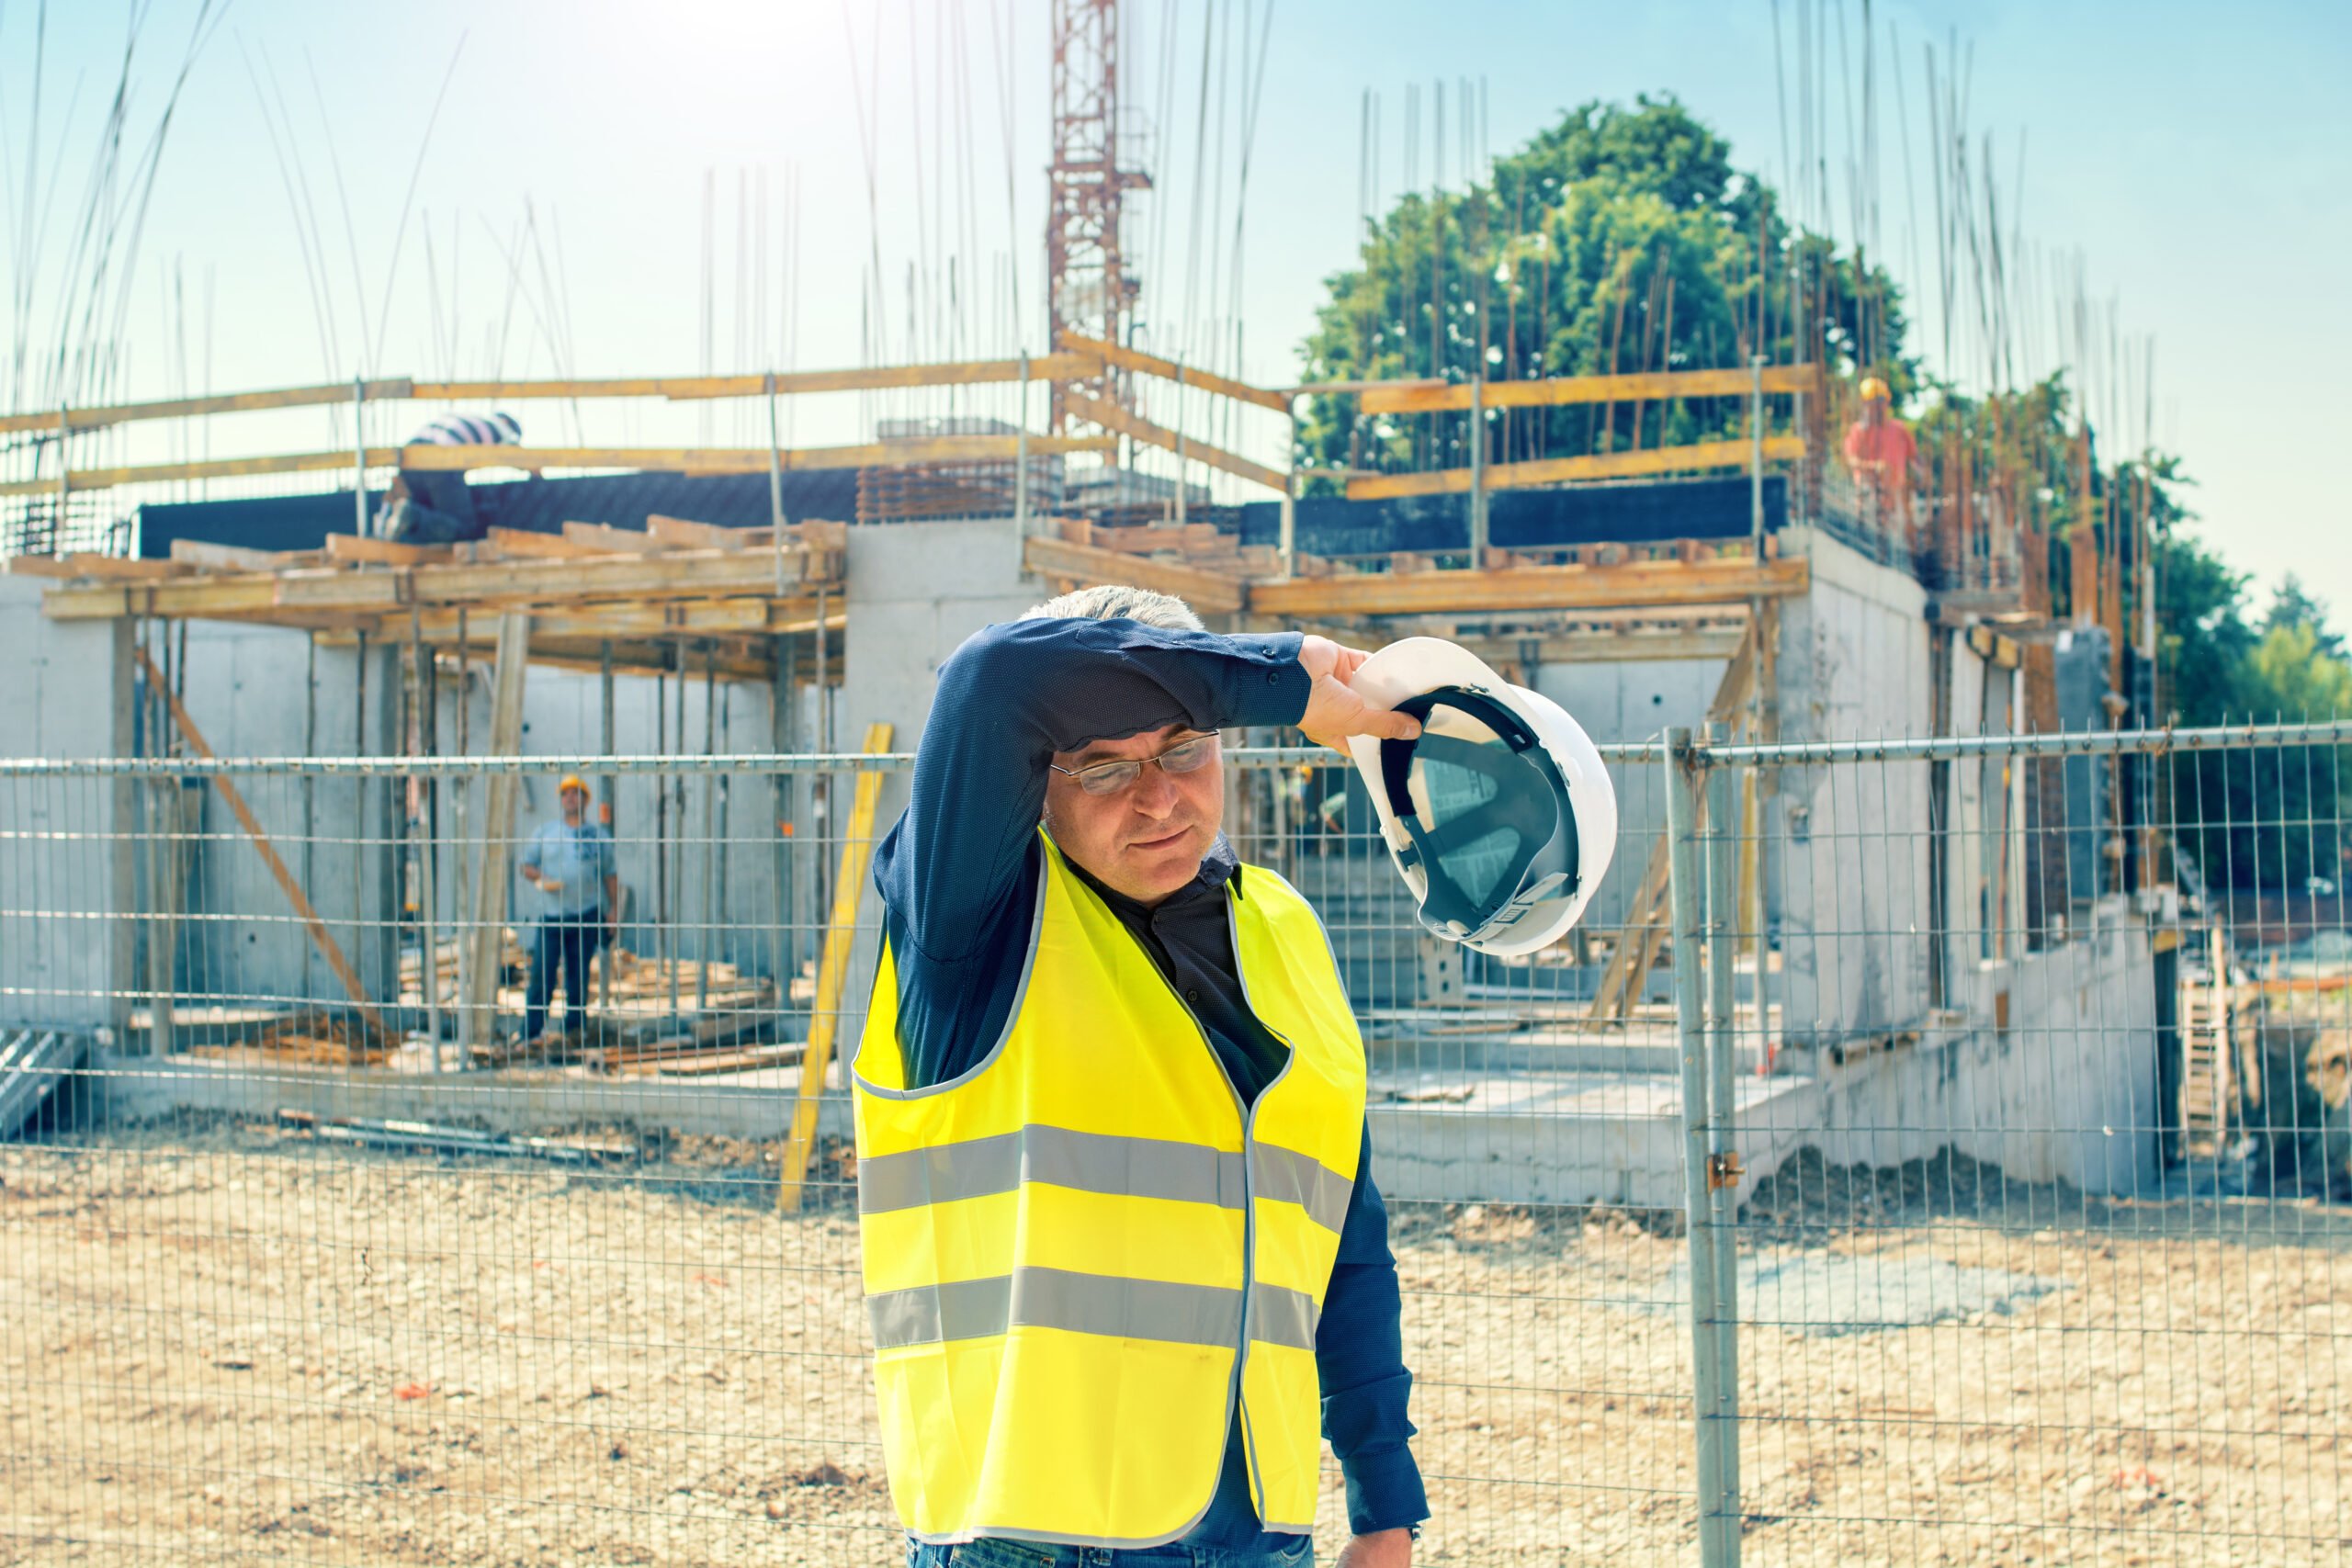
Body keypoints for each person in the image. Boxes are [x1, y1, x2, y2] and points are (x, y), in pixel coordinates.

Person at [855, 584, 1430, 1568]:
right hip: (1038, 1536)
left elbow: (1341, 1236)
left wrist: (1384, 1504)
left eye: (1183, 749)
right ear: (1035, 777)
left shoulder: (1282, 933)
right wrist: (1282, 679)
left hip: (1258, 1531)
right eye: (1100, 766)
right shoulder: (971, 928)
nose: (1158, 797)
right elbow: (995, 678)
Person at [517, 774, 617, 1043]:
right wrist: (541, 877)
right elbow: (525, 866)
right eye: (565, 793)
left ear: (585, 799)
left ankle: (574, 1030)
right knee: (542, 974)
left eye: (575, 793)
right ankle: (531, 1031)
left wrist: (613, 910)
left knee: (578, 975)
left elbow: (609, 874)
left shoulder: (597, 836)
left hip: (586, 913)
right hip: (553, 916)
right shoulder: (546, 833)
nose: (570, 797)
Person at [379, 410, 525, 545]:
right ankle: (412, 516)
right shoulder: (499, 428)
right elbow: (515, 454)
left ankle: (394, 522)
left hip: (410, 458)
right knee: (464, 528)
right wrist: (536, 471)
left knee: (430, 514)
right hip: (441, 458)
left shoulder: (466, 420)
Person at [1842, 375, 1919, 533]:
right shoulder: (1858, 431)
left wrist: (1922, 473)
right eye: (1873, 402)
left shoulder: (1899, 429)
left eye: (1880, 401)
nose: (1877, 406)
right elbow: (1850, 459)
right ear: (1865, 404)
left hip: (1896, 495)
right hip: (1869, 495)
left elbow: (1915, 457)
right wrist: (1874, 467)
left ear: (1887, 402)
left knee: (1900, 538)